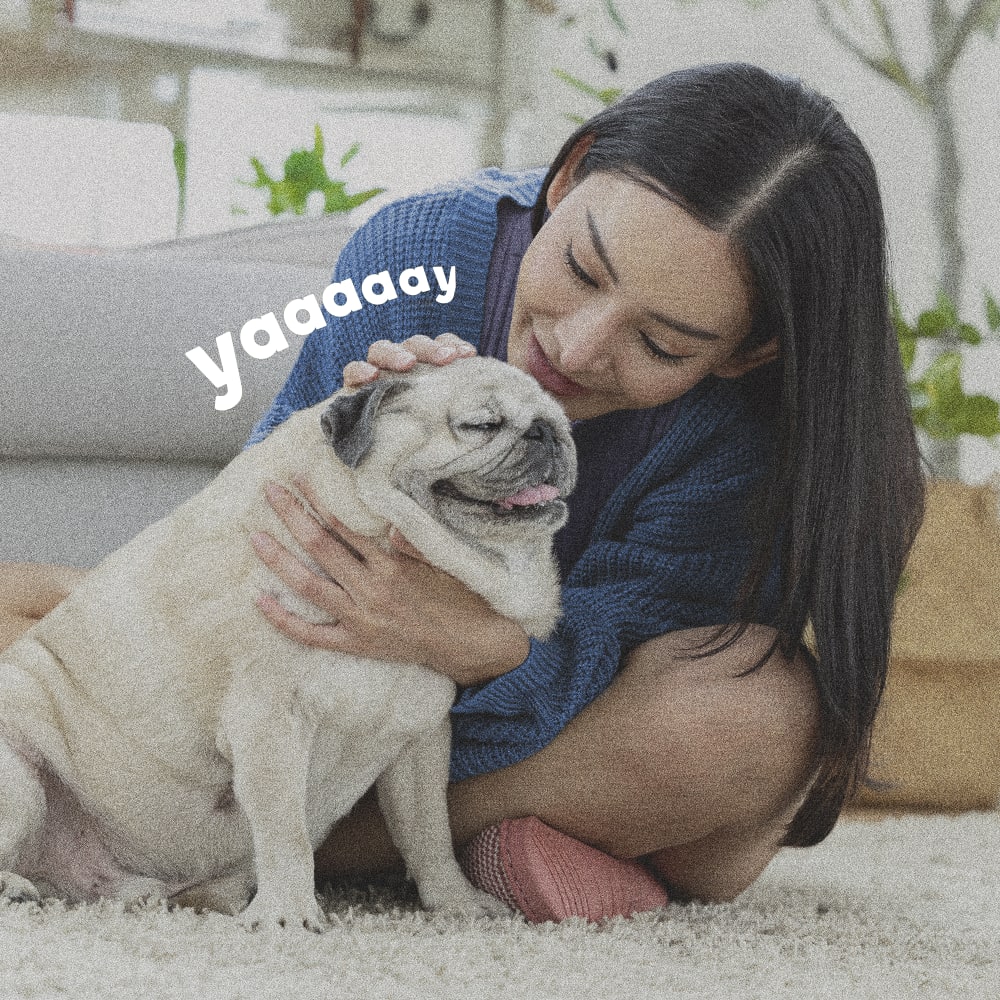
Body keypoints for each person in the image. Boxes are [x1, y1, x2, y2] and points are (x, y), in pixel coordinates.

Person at [0, 62, 925, 922]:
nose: (576, 346)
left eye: (663, 345)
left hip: (557, 721)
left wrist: (478, 646)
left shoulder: (756, 433)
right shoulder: (420, 249)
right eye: (580, 269)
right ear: (568, 178)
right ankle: (506, 844)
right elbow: (255, 537)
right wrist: (340, 440)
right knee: (36, 614)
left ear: (747, 352)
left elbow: (642, 646)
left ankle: (287, 849)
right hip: (344, 676)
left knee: (752, 724)